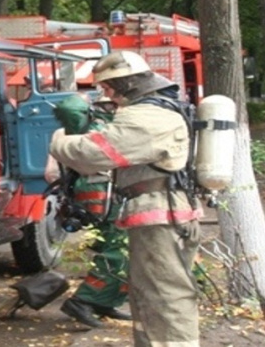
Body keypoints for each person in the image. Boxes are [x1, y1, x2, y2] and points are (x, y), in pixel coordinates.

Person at [49, 51, 201, 347]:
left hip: (160, 213)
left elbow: (97, 153)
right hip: (162, 212)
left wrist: (58, 141)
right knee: (149, 292)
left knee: (165, 294)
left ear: (125, 83)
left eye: (107, 88)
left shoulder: (148, 116)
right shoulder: (162, 110)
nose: (107, 95)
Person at [45, 95, 130, 328]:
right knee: (118, 247)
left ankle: (104, 301)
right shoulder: (99, 129)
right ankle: (83, 300)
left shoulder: (72, 132)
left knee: (115, 246)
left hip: (97, 191)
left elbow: (52, 173)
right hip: (102, 191)